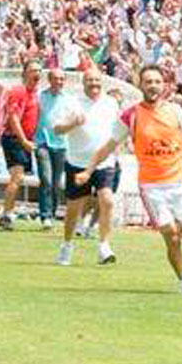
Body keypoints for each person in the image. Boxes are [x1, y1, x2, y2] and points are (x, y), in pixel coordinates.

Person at [76, 65, 182, 297]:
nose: (153, 86)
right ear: (140, 85)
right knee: (170, 235)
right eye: (148, 81)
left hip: (179, 183)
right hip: (152, 186)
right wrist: (88, 170)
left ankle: (181, 222)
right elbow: (108, 146)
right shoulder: (131, 116)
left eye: (157, 81)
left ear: (164, 85)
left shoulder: (175, 111)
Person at [53, 68, 120, 266]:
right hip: (77, 162)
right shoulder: (72, 102)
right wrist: (72, 124)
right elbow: (57, 129)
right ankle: (67, 244)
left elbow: (117, 130)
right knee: (74, 207)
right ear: (83, 83)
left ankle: (104, 246)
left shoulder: (111, 103)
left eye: (97, 80)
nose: (94, 84)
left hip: (104, 161)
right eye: (89, 80)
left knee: (107, 200)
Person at [0, 62, 41, 231]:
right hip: (15, 139)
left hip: (24, 140)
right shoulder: (18, 91)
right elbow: (13, 117)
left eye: (39, 70)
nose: (37, 73)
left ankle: (8, 212)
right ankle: (6, 214)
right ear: (24, 74)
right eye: (33, 70)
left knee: (19, 177)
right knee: (17, 176)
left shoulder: (34, 94)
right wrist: (23, 141)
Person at [34, 68, 69, 229]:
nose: (59, 82)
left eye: (62, 79)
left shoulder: (69, 99)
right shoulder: (40, 96)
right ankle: (45, 215)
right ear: (49, 79)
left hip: (61, 145)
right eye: (56, 78)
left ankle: (52, 212)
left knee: (55, 183)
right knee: (46, 179)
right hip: (42, 142)